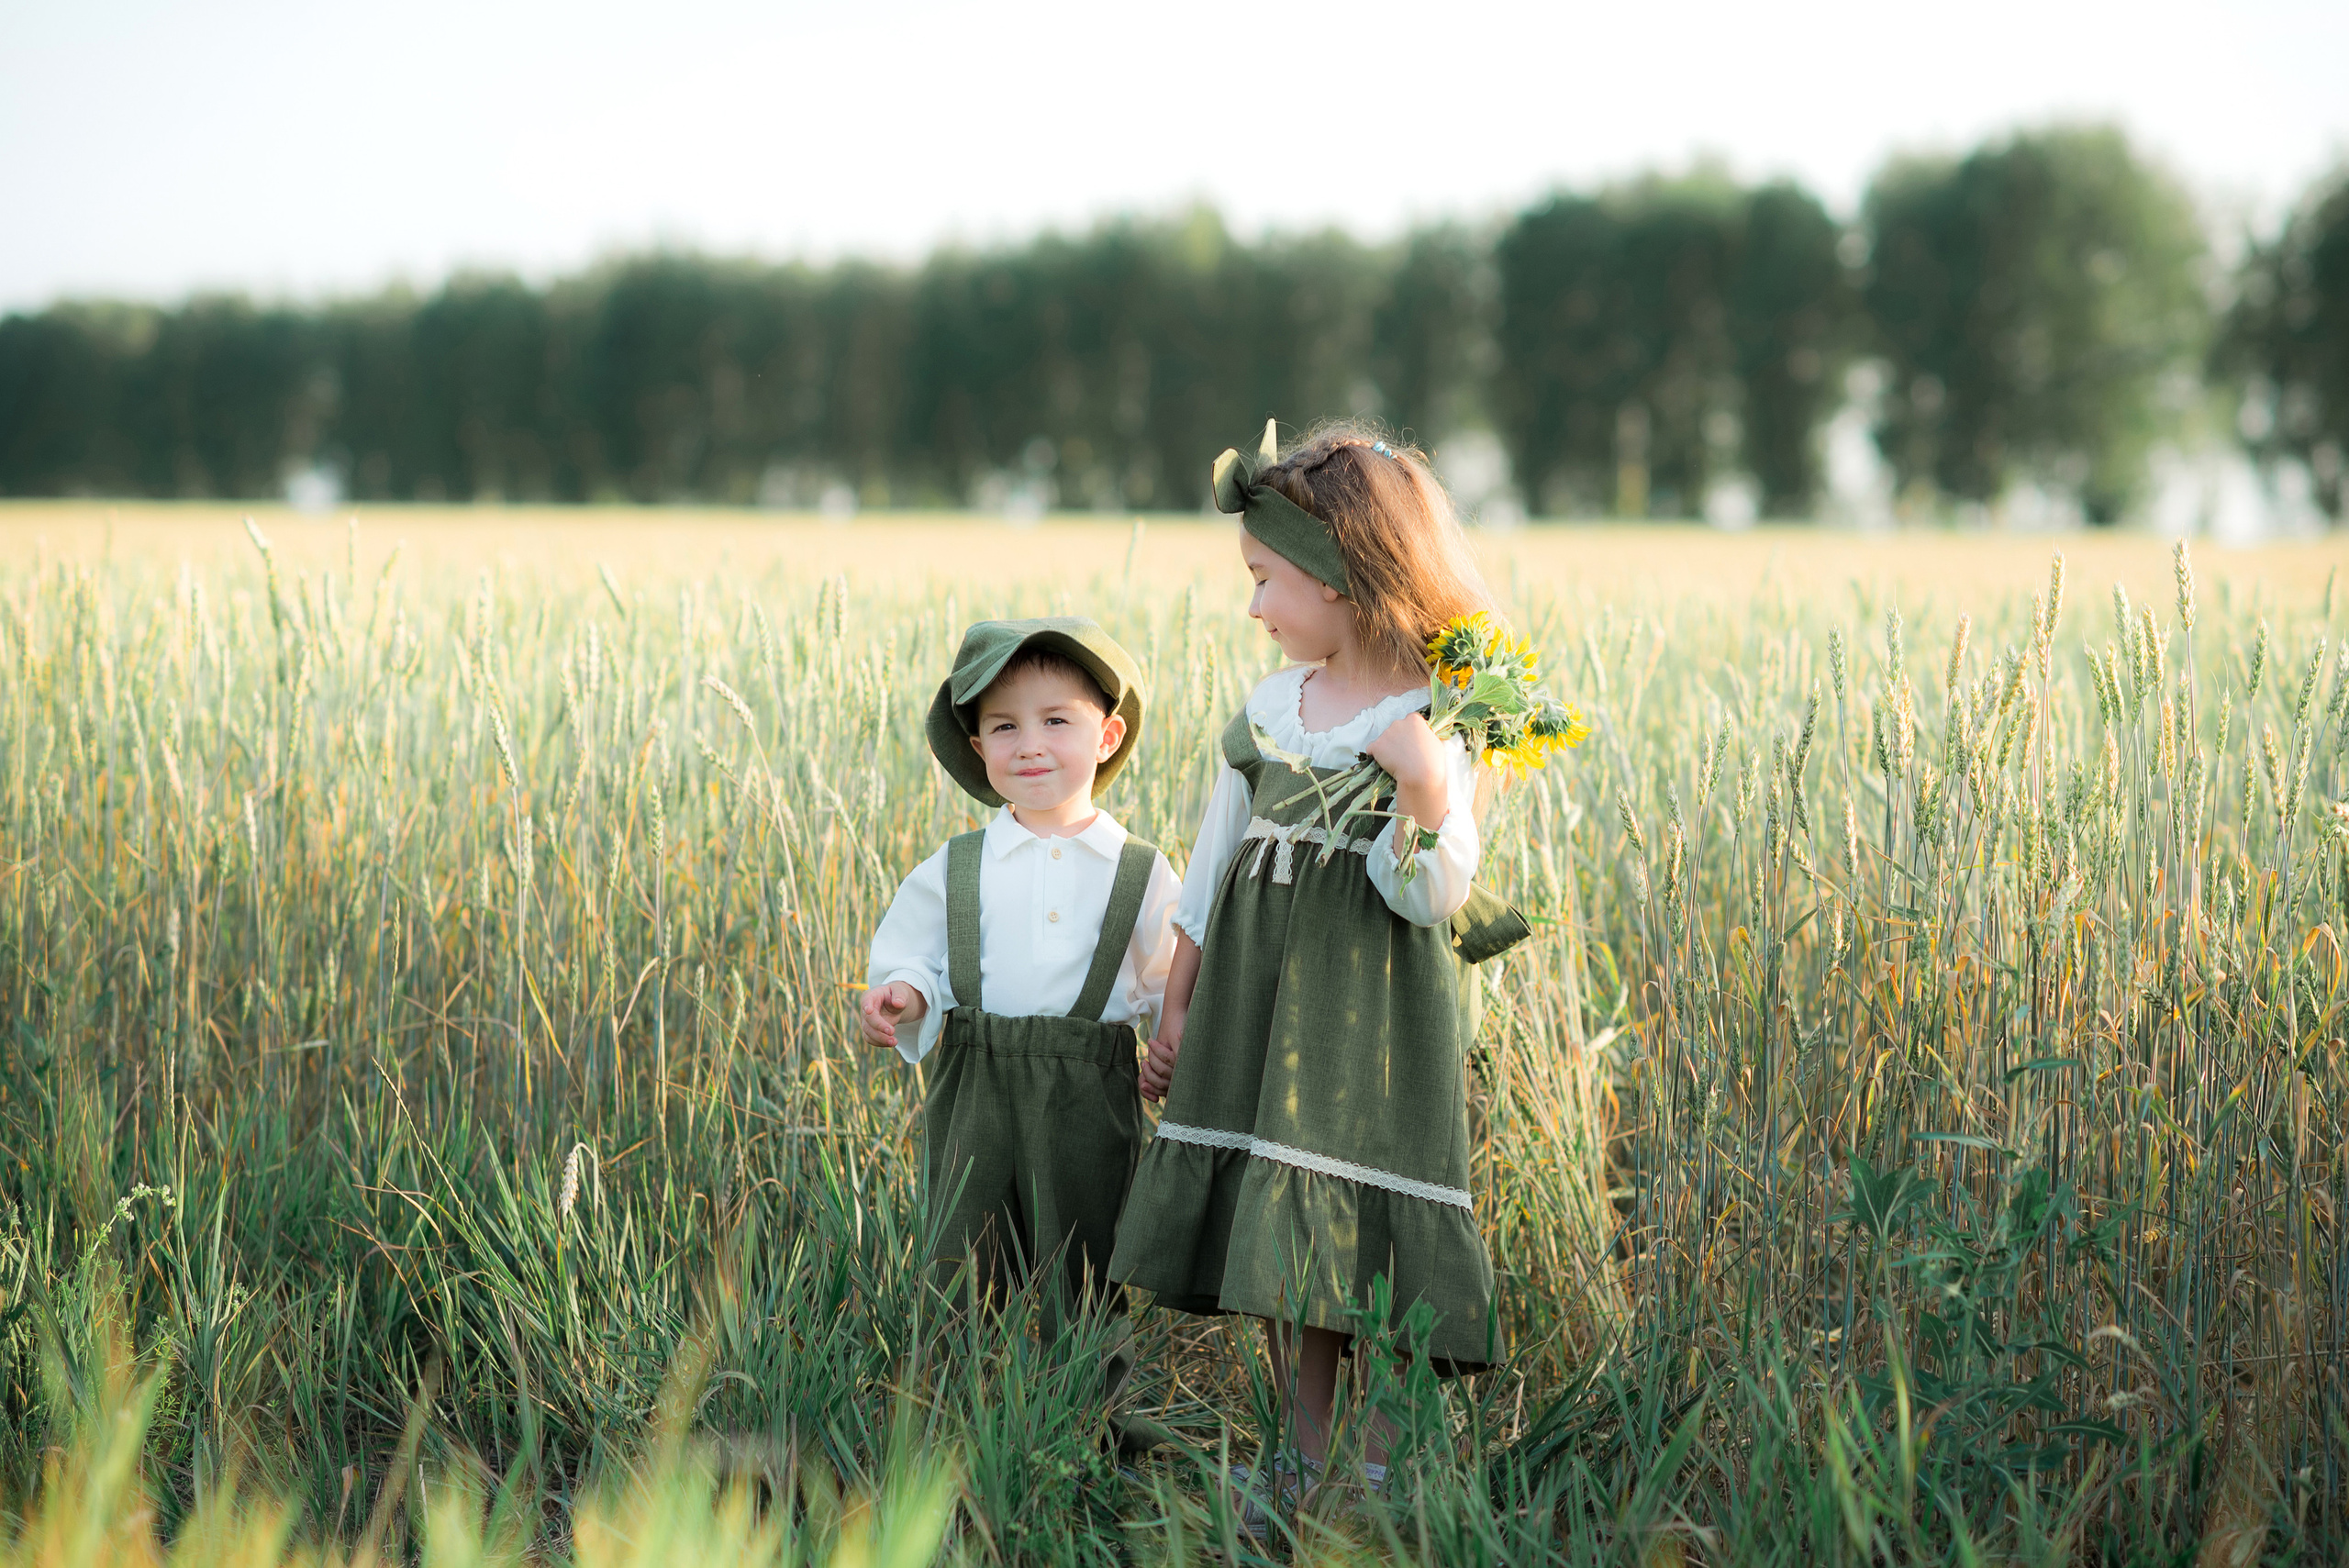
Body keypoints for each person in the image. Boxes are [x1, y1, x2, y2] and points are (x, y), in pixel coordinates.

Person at [1108, 420, 1528, 1507]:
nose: (1252, 606)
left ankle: (1376, 1471)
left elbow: (1428, 894)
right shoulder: (1268, 715)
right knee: (1287, 1252)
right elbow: (1208, 873)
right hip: (1258, 1015)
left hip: (1371, 1031)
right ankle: (1301, 1460)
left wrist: (1429, 790)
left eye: (1265, 578)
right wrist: (1178, 1005)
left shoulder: (1442, 719)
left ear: (1342, 573)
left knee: (1368, 1251)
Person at [861, 617, 1180, 1449]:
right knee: (960, 1253)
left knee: (1084, 1254)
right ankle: (950, 1427)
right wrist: (901, 992)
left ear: (1106, 735)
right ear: (977, 745)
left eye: (1057, 721)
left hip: (1089, 1087)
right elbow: (919, 955)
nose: (1030, 745)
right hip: (976, 1082)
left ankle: (1089, 1424)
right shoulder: (958, 865)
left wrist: (1173, 1041)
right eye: (1005, 726)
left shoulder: (1139, 871)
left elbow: (1166, 979)